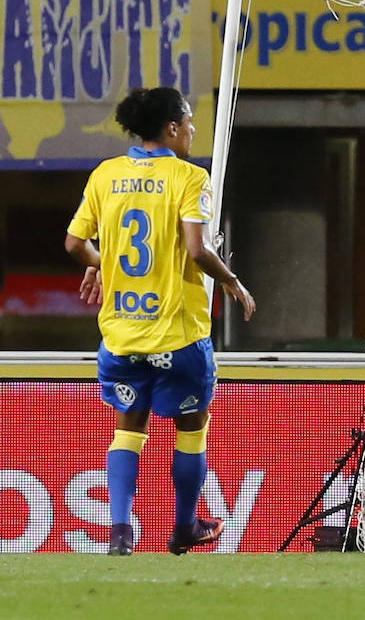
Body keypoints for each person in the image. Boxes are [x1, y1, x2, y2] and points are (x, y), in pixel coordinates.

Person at [64, 87, 256, 556]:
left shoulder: (106, 175)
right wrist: (232, 281)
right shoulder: (190, 177)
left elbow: (73, 244)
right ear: (171, 128)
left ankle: (120, 531)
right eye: (188, 122)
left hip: (122, 336)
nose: (192, 130)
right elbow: (196, 249)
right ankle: (184, 526)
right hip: (178, 335)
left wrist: (102, 263)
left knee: (128, 429)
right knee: (191, 428)